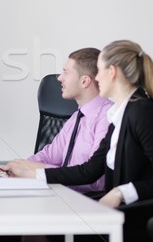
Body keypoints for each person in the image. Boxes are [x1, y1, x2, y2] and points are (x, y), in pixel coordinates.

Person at [4, 40, 153, 241]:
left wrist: (119, 193)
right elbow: (90, 170)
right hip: (116, 212)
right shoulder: (122, 114)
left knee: (37, 227)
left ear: (113, 72)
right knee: (34, 225)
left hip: (132, 218)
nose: (97, 79)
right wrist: (35, 174)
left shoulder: (143, 113)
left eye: (99, 71)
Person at [9, 48, 111, 194]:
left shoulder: (107, 117)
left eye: (66, 72)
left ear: (84, 81)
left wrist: (36, 171)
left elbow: (94, 179)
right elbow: (49, 155)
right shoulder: (77, 117)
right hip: (63, 195)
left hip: (89, 203)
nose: (59, 78)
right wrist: (19, 166)